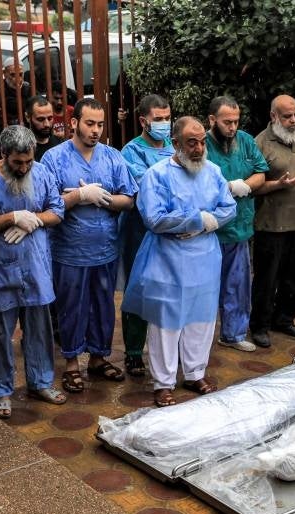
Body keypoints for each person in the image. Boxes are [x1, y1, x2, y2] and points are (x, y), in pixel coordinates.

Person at [121, 116, 236, 407]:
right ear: (175, 144)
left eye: (201, 142)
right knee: (165, 324)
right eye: (191, 143)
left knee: (202, 318)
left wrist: (205, 224)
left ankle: (195, 372)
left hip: (205, 259)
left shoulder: (212, 171)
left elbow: (229, 207)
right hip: (167, 261)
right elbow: (154, 218)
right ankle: (163, 382)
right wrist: (198, 218)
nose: (198, 148)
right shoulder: (157, 175)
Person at [41, 99, 137, 393]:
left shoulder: (112, 157)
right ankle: (71, 363)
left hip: (105, 249)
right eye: (89, 124)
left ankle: (97, 357)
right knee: (71, 307)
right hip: (69, 251)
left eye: (100, 124)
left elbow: (129, 198)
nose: (95, 130)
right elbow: (48, 204)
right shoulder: (54, 159)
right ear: (74, 123)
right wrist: (79, 196)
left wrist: (105, 198)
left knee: (103, 307)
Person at [0, 125, 67, 419]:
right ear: (3, 154)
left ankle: (41, 381)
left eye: (28, 161)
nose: (24, 167)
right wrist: (10, 218)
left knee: (39, 328)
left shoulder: (41, 174)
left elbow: (57, 210)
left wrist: (35, 219)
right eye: (17, 162)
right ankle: (1, 389)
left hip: (35, 264)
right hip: (0, 266)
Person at [250, 94, 295, 349]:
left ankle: (284, 319)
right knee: (267, 277)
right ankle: (259, 325)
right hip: (271, 224)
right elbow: (252, 187)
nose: (293, 120)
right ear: (274, 117)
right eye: (287, 116)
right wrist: (277, 185)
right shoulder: (260, 143)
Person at [205, 95, 268, 353]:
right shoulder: (202, 144)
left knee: (238, 284)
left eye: (236, 121)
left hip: (239, 226)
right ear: (212, 120)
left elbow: (261, 173)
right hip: (210, 230)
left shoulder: (245, 141)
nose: (232, 127)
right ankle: (197, 341)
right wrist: (227, 188)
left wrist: (245, 186)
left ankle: (233, 333)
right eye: (226, 122)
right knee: (205, 287)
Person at [117, 93, 173, 376]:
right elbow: (147, 187)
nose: (164, 124)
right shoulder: (131, 152)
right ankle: (134, 351)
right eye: (158, 119)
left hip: (171, 232)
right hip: (140, 229)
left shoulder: (175, 147)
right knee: (138, 287)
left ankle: (164, 351)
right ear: (143, 121)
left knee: (168, 289)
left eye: (167, 119)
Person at [0, 58, 30, 147]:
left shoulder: (29, 90)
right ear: (4, 74)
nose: (17, 79)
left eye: (20, 74)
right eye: (13, 75)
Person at [25, 95, 64, 161]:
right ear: (27, 117)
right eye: (40, 119)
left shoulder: (60, 145)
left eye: (50, 118)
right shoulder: (22, 148)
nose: (47, 124)